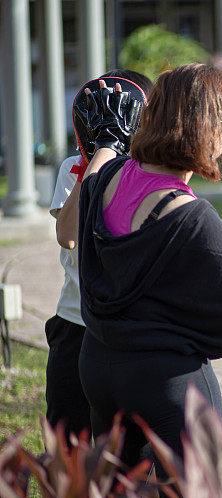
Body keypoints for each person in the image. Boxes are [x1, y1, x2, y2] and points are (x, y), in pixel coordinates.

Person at [75, 63, 222, 475]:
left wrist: (106, 144)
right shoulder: (190, 216)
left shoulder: (104, 176)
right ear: (213, 128)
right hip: (164, 382)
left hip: (97, 366)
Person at [46, 69, 152, 439]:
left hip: (129, 331)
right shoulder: (75, 168)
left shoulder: (150, 176)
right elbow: (69, 235)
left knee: (126, 451)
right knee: (67, 441)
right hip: (74, 323)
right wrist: (104, 150)